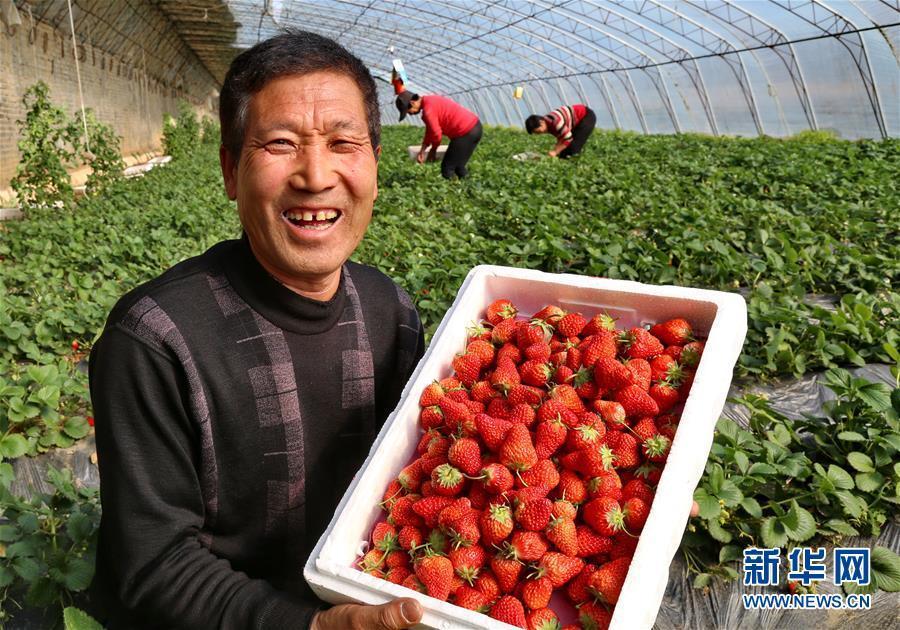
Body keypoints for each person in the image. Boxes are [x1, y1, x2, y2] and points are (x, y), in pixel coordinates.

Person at [88, 30, 426, 630]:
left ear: (374, 159)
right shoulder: (155, 339)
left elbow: (410, 488)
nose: (316, 175)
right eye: (280, 144)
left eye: (344, 142)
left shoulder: (392, 310)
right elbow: (154, 563)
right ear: (229, 170)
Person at [396, 90, 482, 179]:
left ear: (412, 103)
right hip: (476, 128)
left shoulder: (428, 110)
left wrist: (433, 150)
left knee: (447, 169)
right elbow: (430, 131)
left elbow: (436, 134)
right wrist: (423, 150)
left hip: (465, 132)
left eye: (408, 111)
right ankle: (470, 187)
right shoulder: (430, 100)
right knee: (459, 167)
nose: (410, 114)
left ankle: (453, 190)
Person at [525, 103, 596, 158]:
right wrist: (556, 151)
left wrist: (555, 152)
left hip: (586, 116)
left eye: (537, 131)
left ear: (541, 122)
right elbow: (561, 138)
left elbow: (568, 138)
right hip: (577, 122)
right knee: (564, 152)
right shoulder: (549, 126)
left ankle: (576, 166)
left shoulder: (555, 122)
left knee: (574, 148)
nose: (538, 134)